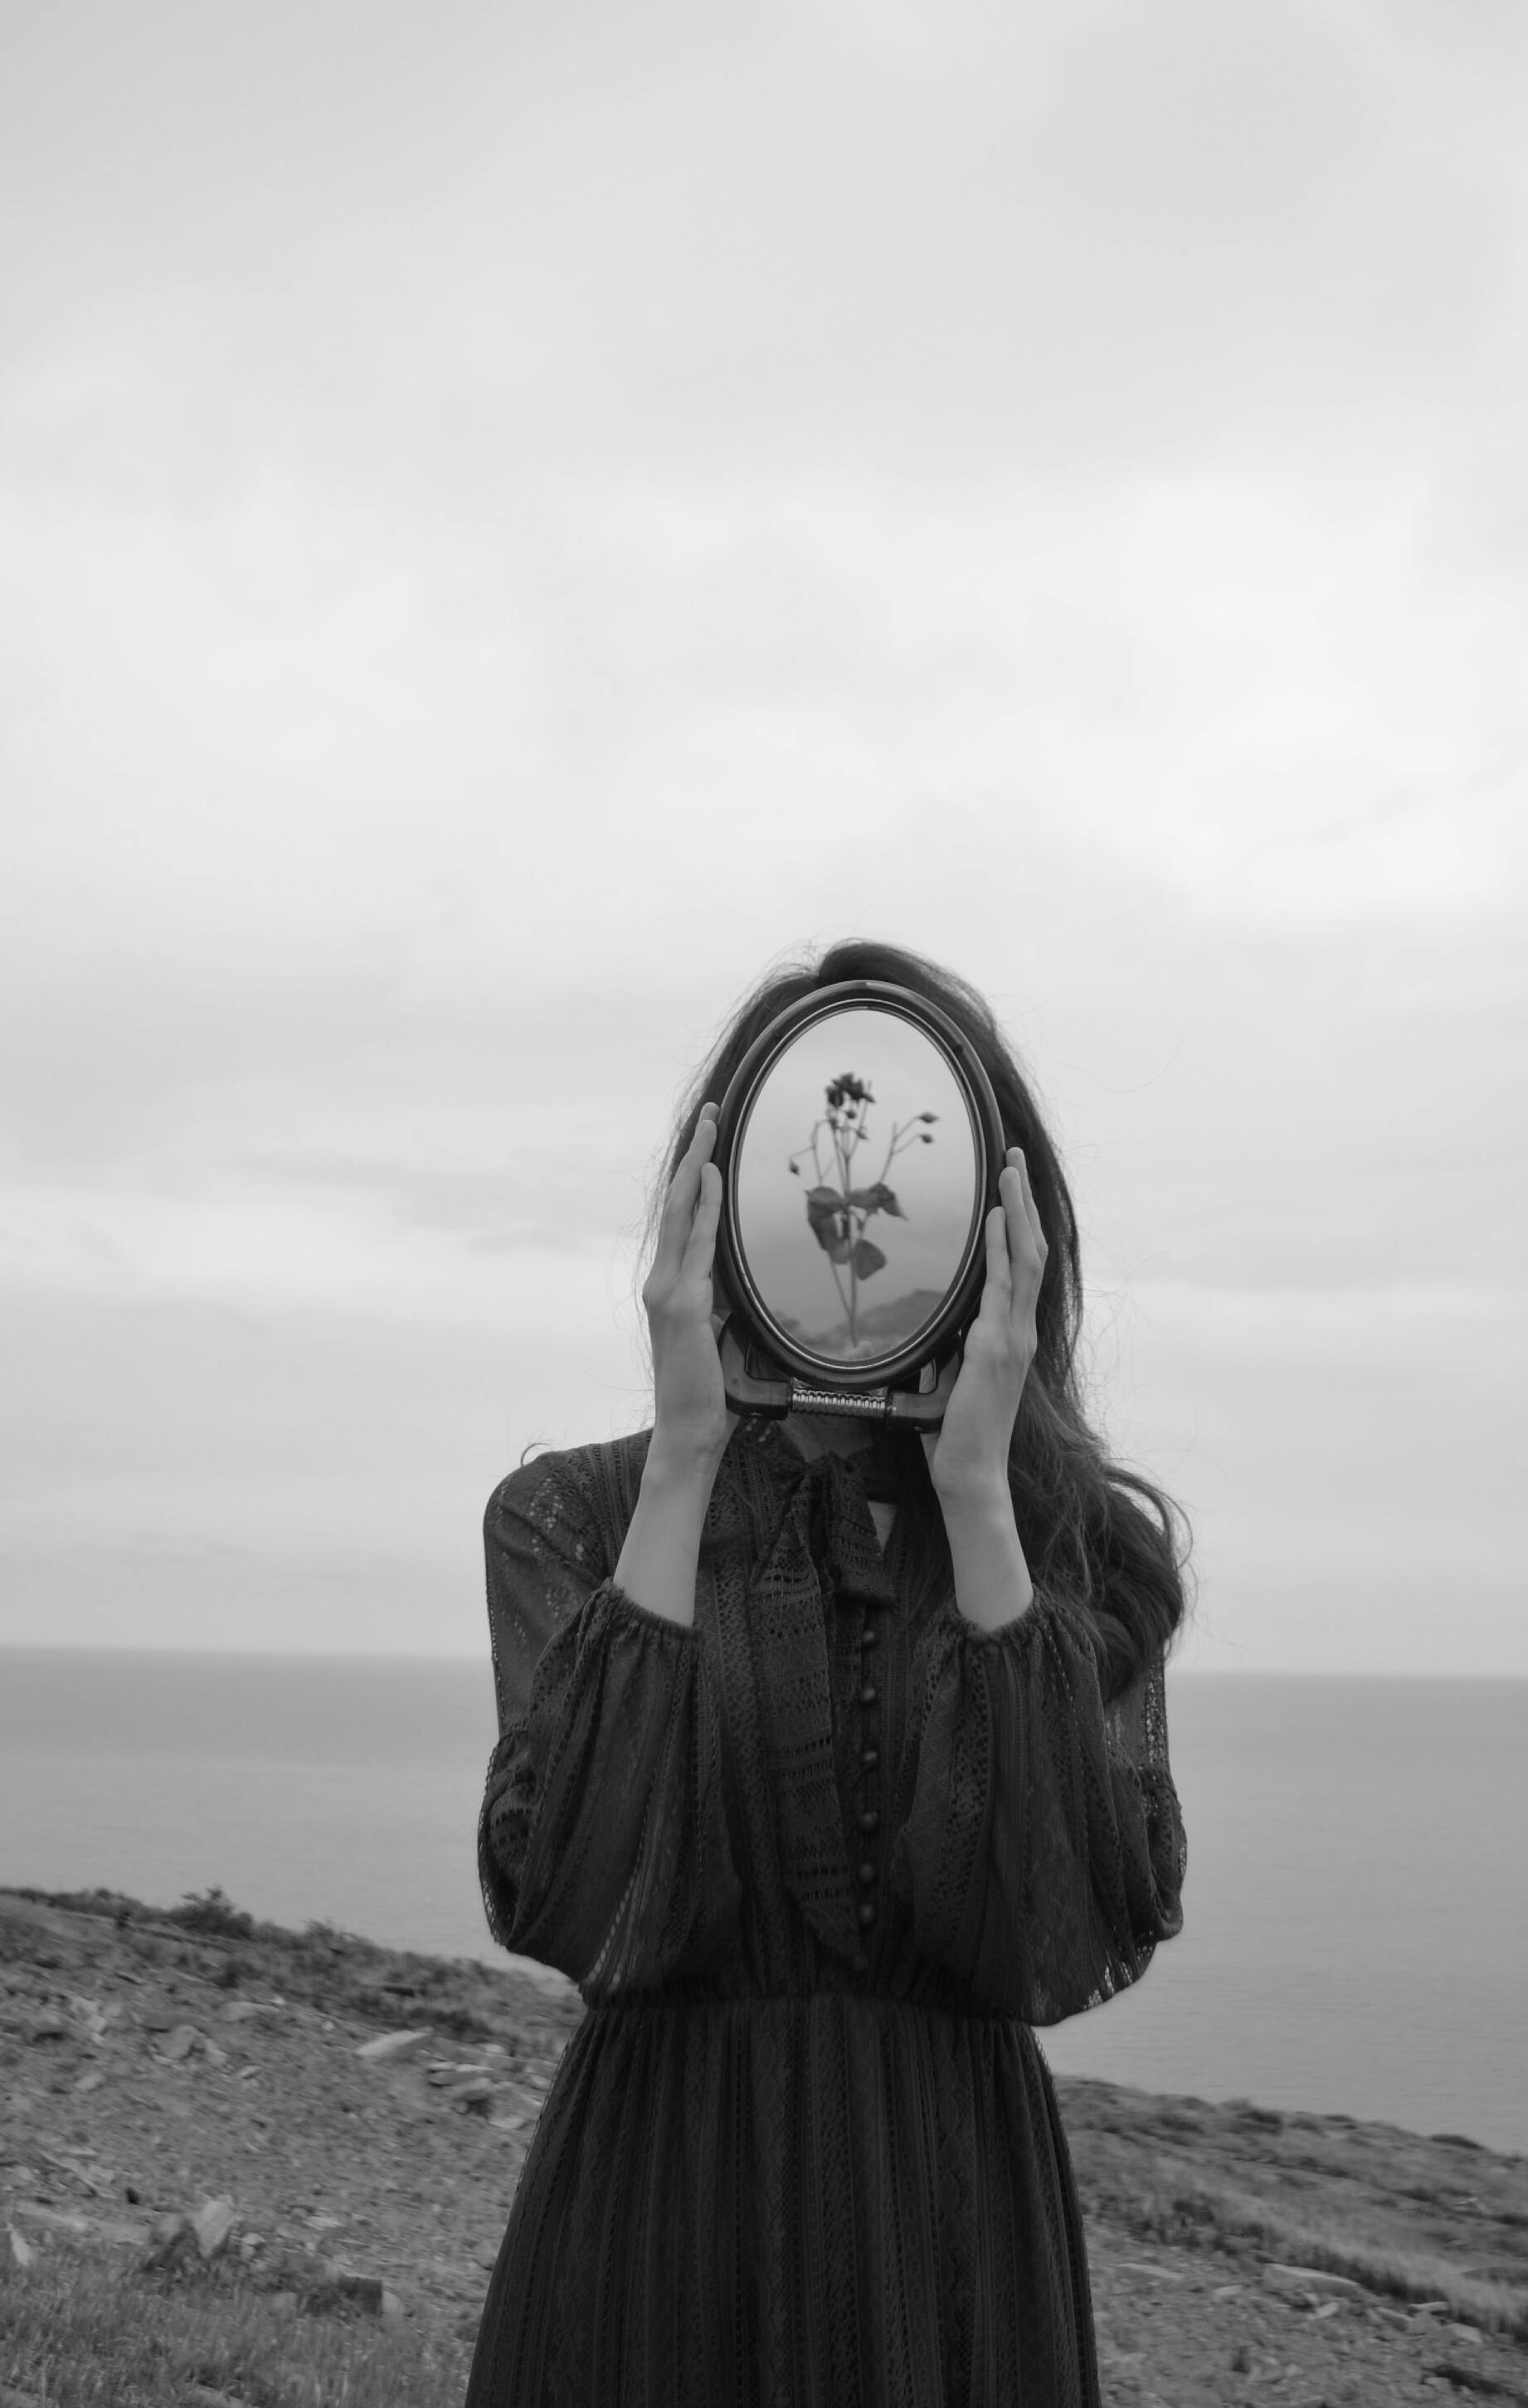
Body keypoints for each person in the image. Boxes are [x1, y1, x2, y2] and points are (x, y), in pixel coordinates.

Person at [465, 939, 1188, 2408]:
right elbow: (570, 1902)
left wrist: (981, 1500)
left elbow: (1059, 1933)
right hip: (653, 2228)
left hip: (953, 2244)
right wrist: (684, 1459)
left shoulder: (1067, 1550)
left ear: (1003, 1229)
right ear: (716, 1208)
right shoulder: (577, 1518)